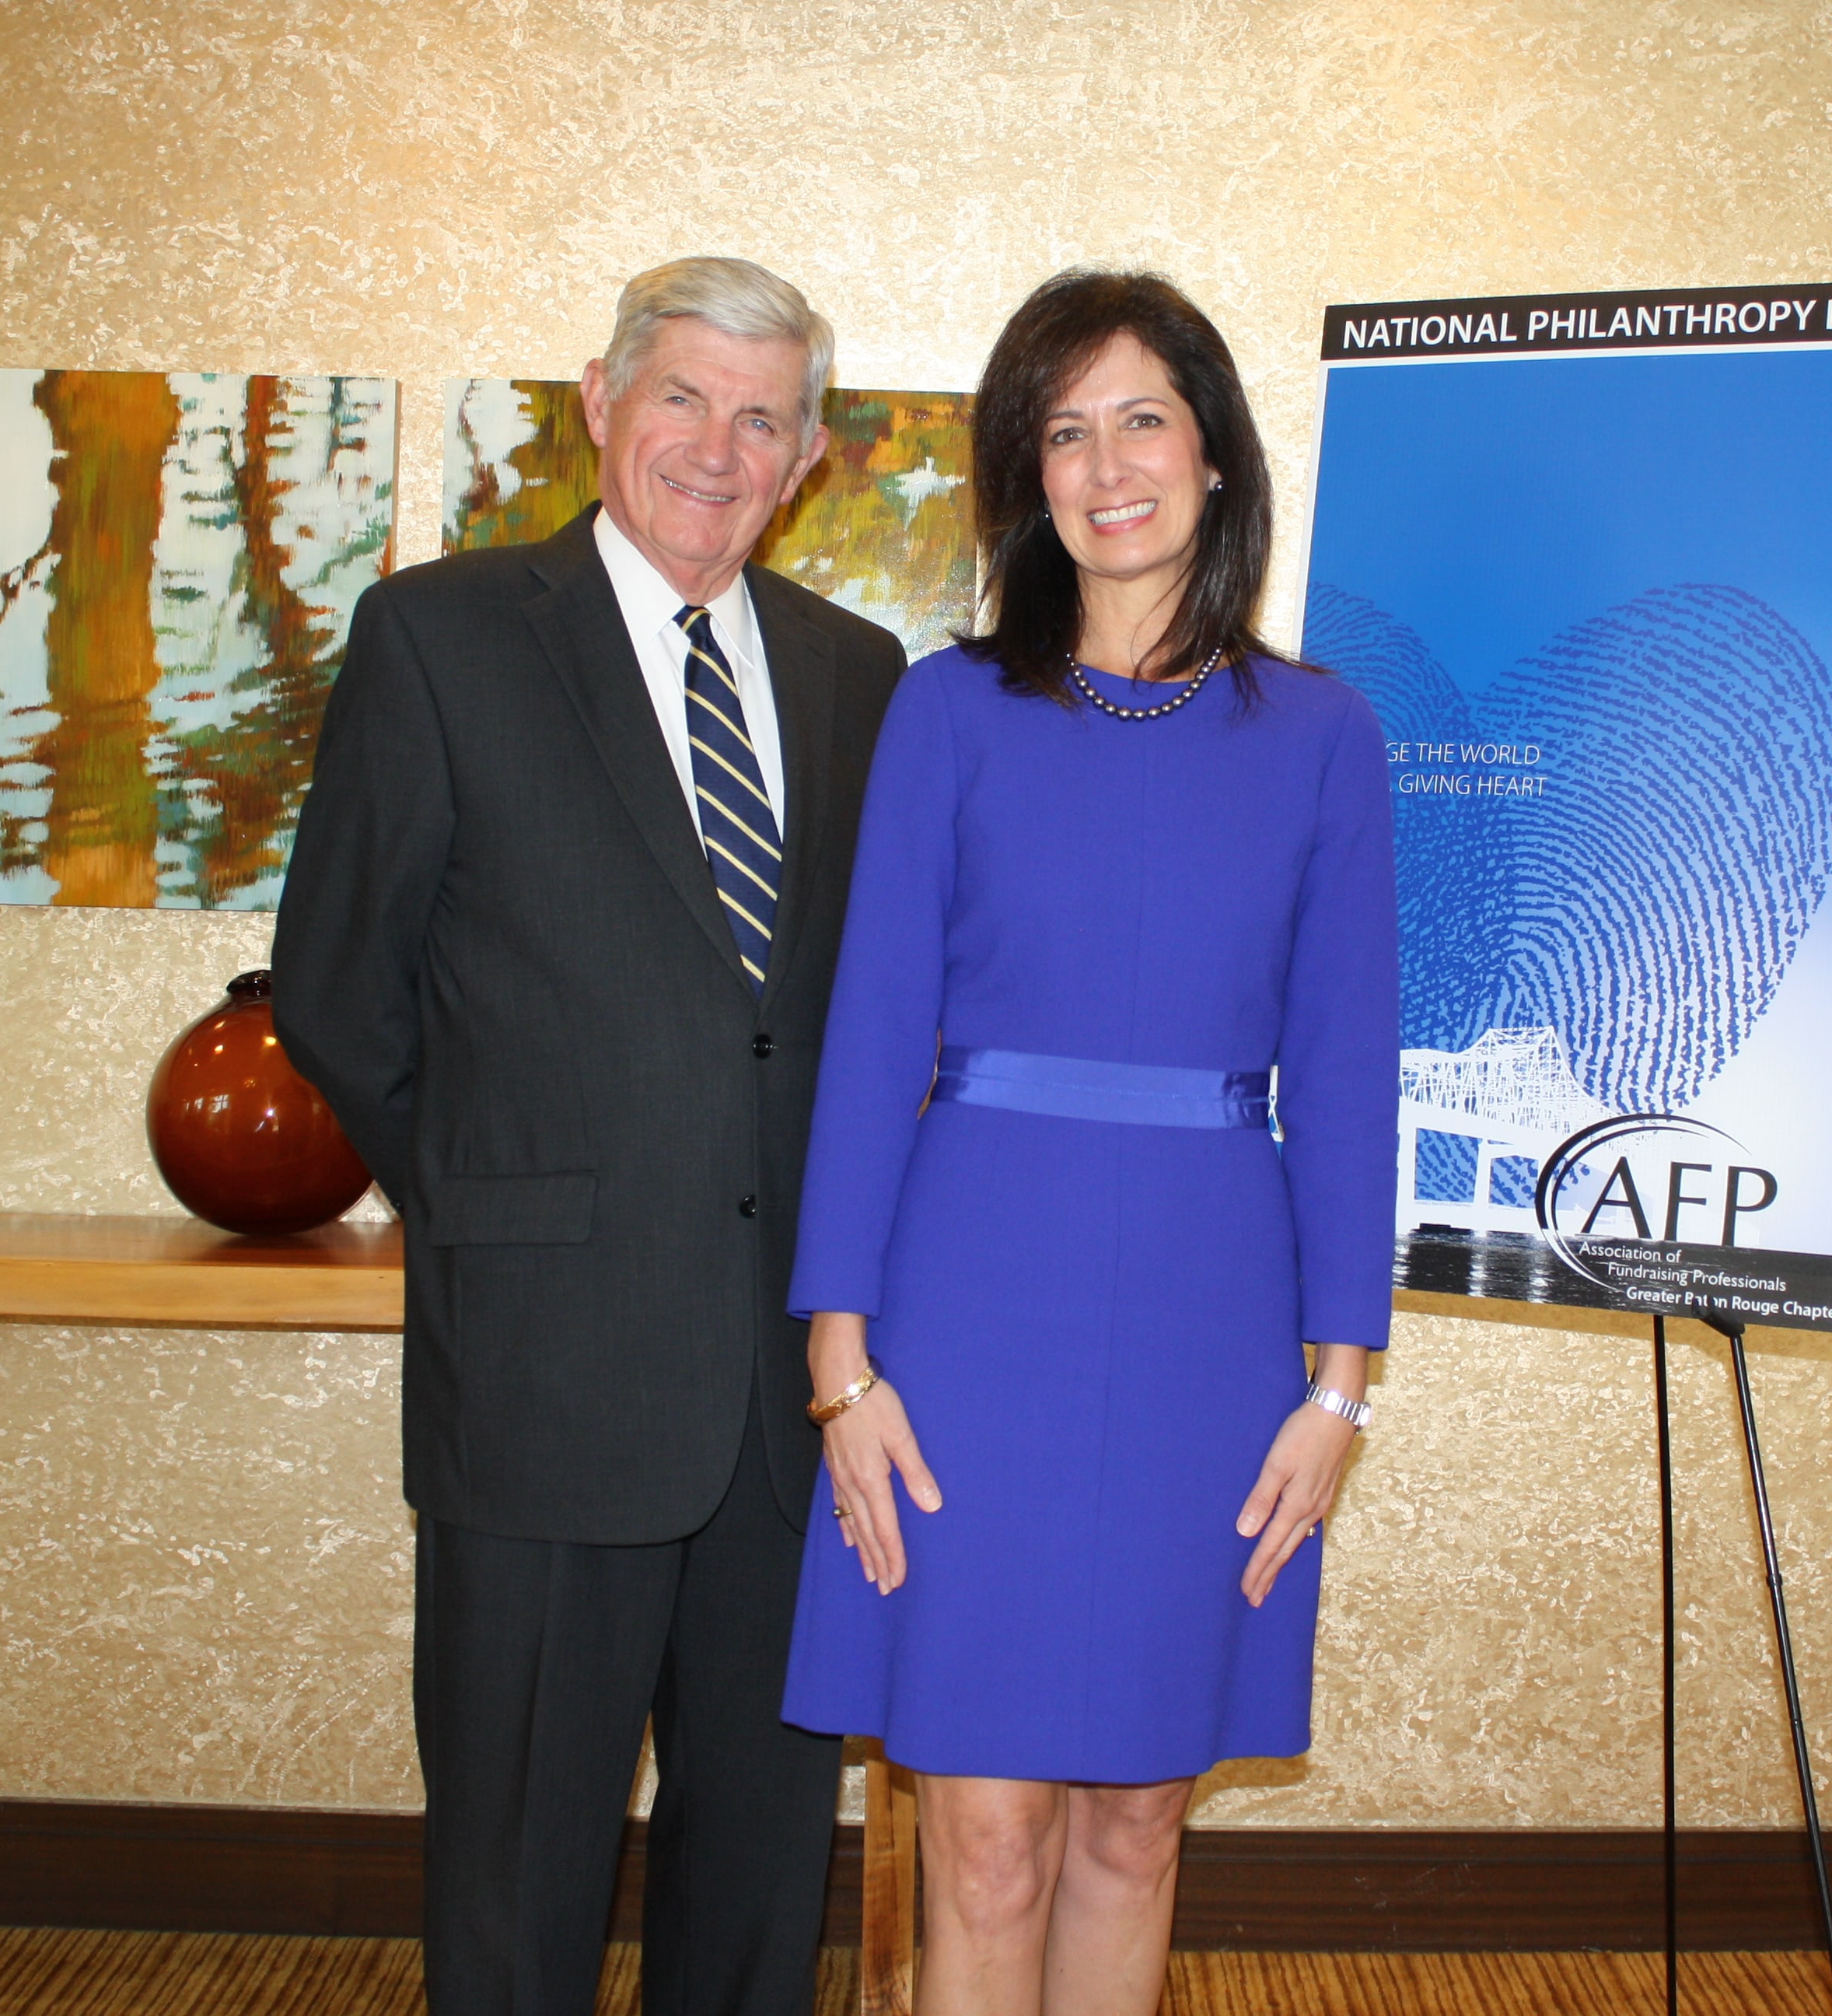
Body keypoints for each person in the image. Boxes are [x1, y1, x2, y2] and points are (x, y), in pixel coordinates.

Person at [272, 256, 907, 2016]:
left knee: (761, 1877)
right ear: (601, 404)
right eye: (682, 396)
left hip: (789, 1394)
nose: (717, 446)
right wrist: (493, 1203)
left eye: (762, 417)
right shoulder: (443, 635)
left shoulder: (860, 675)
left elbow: (864, 1016)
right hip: (544, 1373)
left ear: (806, 459)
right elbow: (338, 988)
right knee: (518, 1870)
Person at [779, 270, 1399, 2015]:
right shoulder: (947, 711)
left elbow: (1347, 1080)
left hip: (1213, 1323)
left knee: (1136, 1824)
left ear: (1215, 457)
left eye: (1143, 420)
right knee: (983, 1837)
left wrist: (1340, 1392)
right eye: (1065, 432)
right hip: (968, 1318)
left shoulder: (1325, 736)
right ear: (1027, 477)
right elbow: (870, 1043)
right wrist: (841, 1364)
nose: (1107, 465)